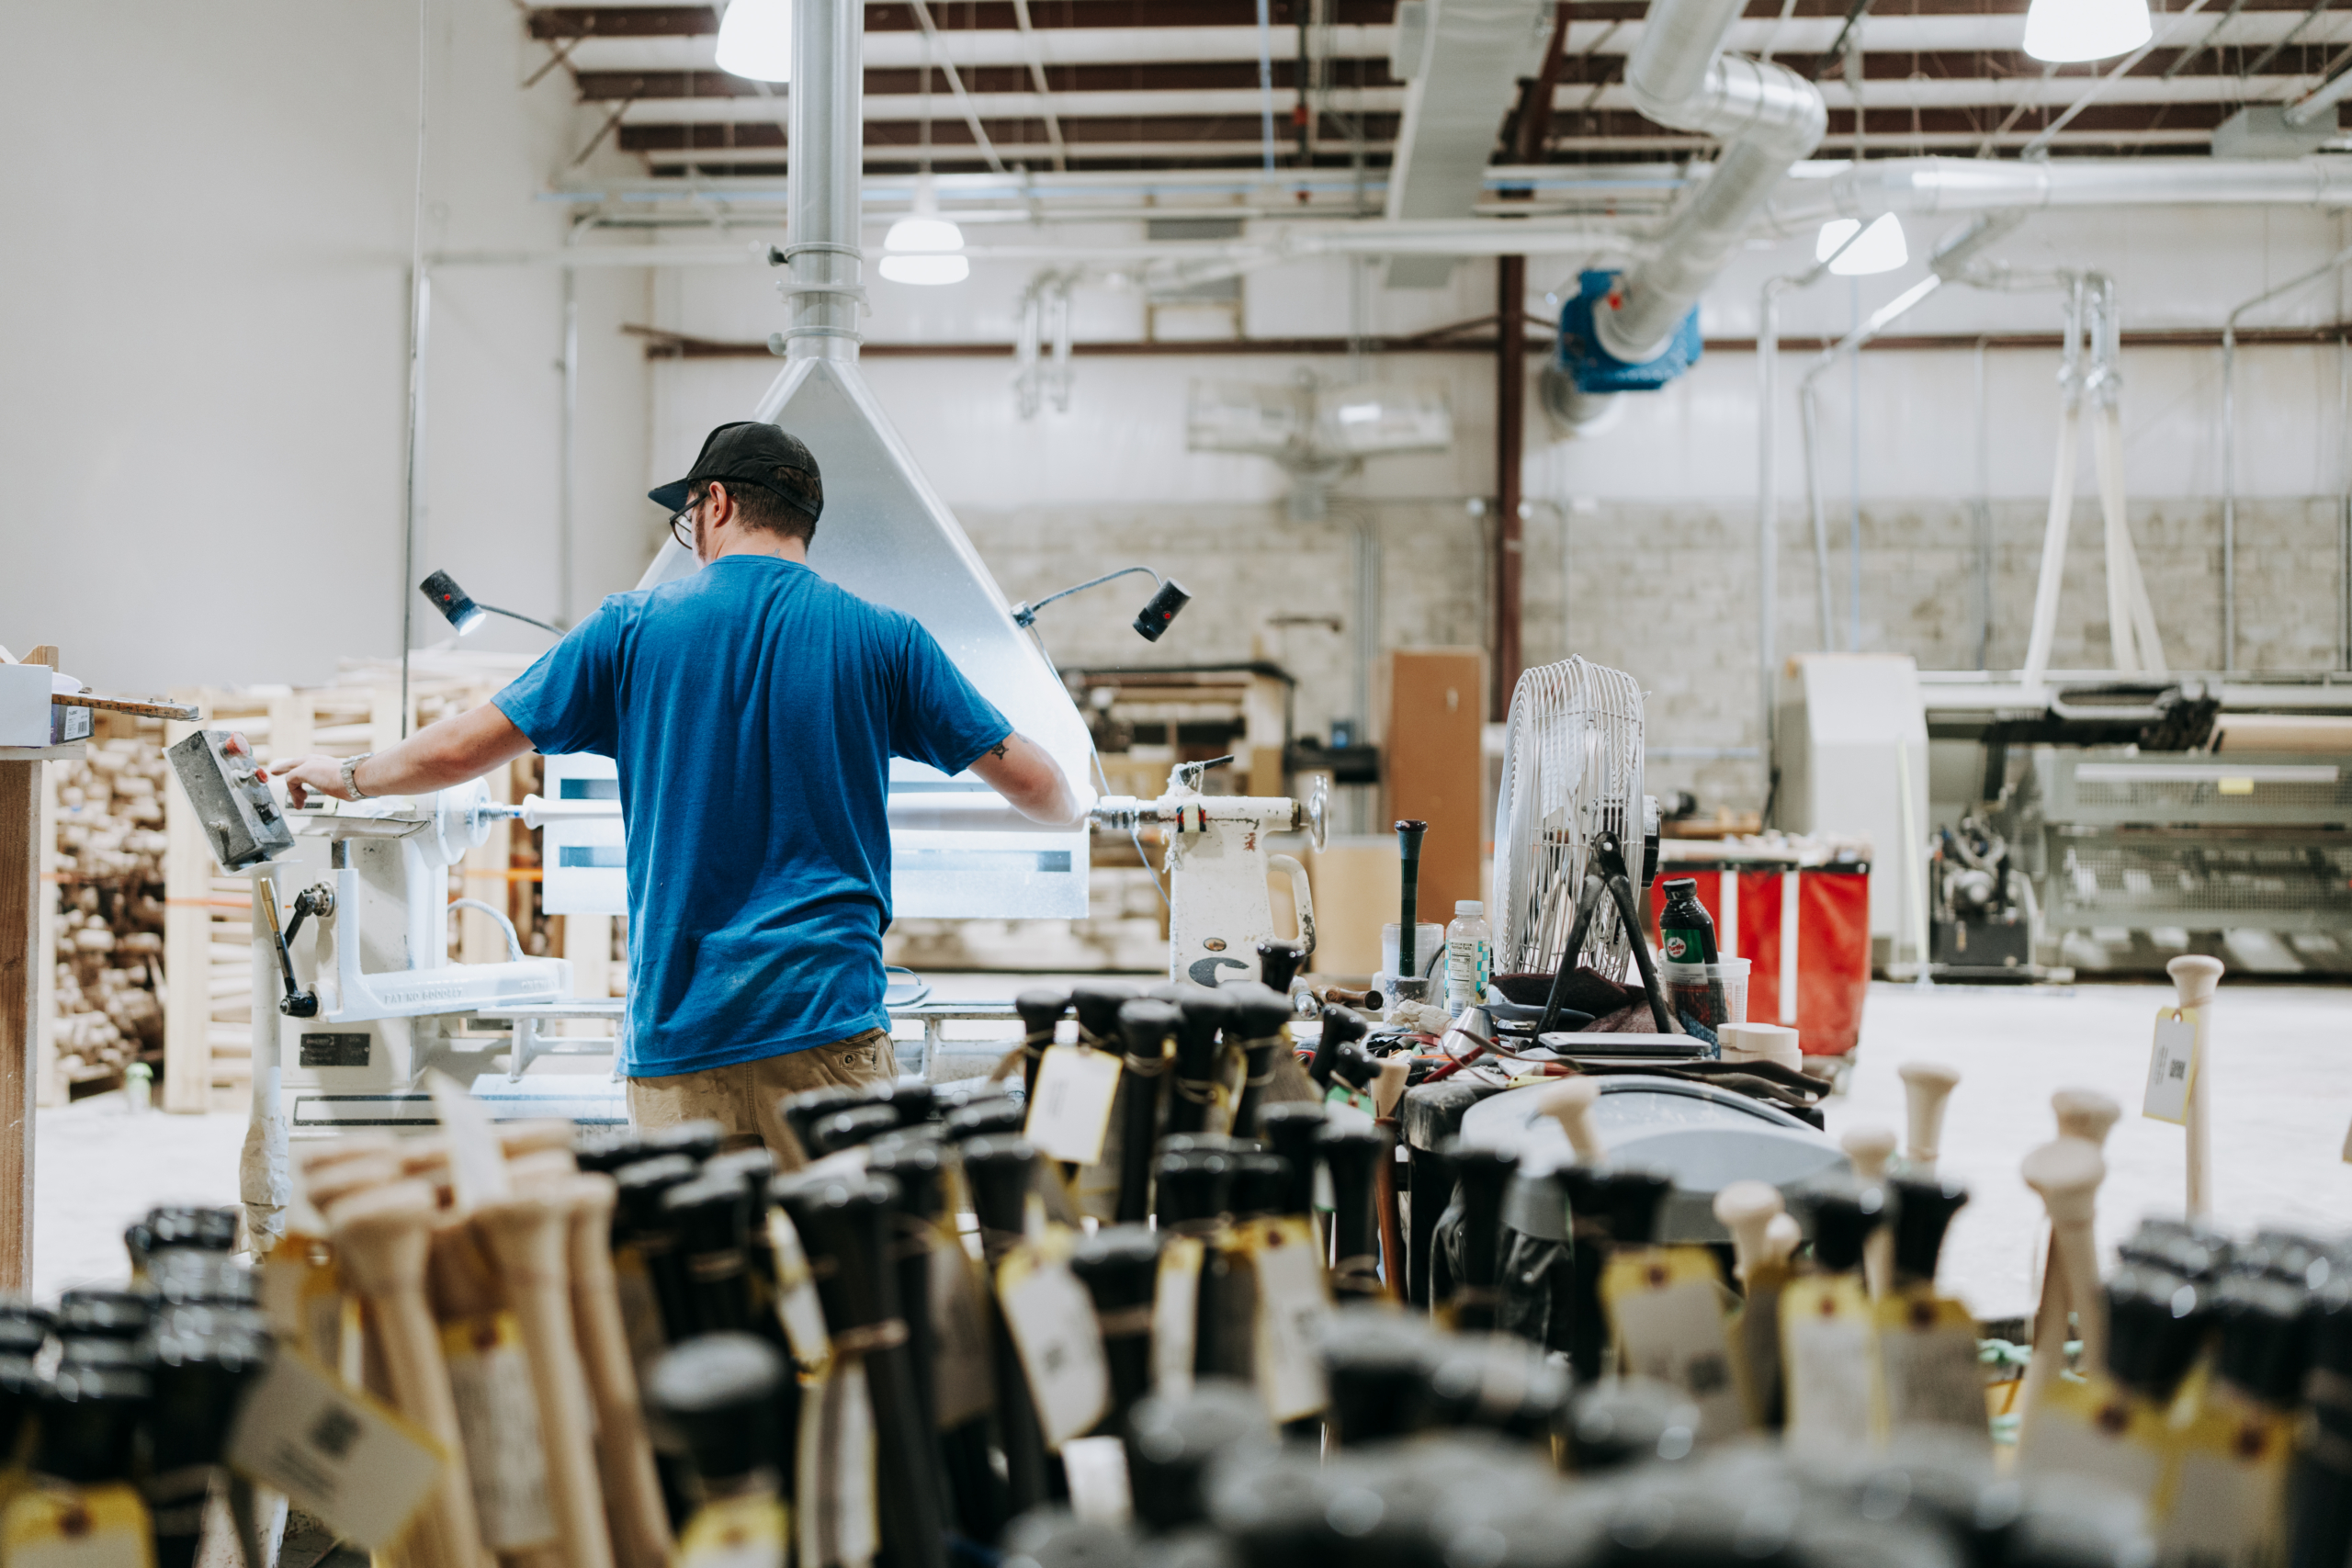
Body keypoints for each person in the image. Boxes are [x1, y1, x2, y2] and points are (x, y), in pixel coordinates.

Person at [267, 421, 1080, 1161]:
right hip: (829, 1023)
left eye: (688, 517)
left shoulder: (629, 627)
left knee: (698, 1294)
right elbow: (1040, 786)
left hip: (683, 1035)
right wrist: (1082, 808)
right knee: (843, 1292)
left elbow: (458, 751)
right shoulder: (885, 639)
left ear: (716, 502)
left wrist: (346, 773)